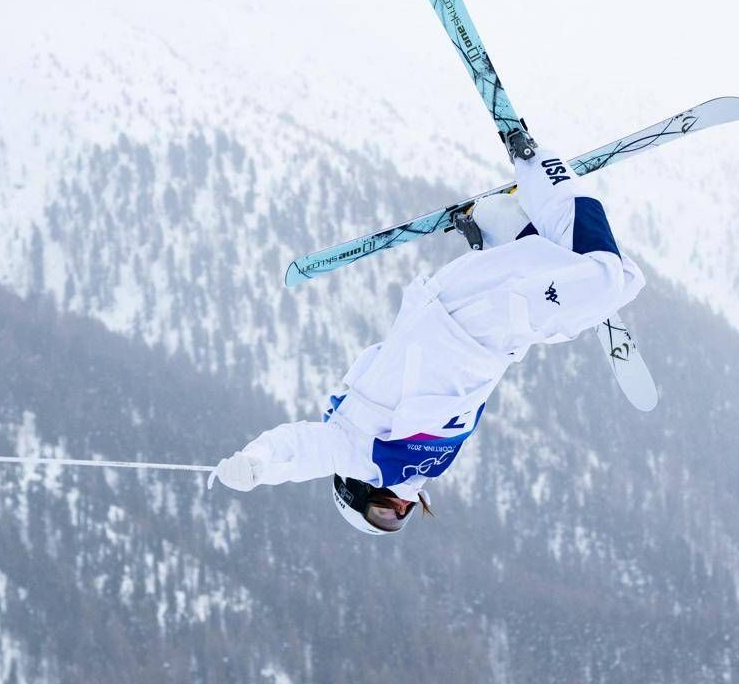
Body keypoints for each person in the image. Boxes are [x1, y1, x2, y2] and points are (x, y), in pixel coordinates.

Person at [210, 142, 645, 534]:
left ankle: (538, 167)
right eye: (399, 520)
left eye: (382, 513)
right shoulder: (415, 466)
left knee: (610, 281)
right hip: (481, 320)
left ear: (356, 492)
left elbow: (304, 450)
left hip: (472, 321)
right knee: (591, 270)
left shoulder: (361, 455)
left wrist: (257, 464)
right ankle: (500, 225)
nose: (398, 510)